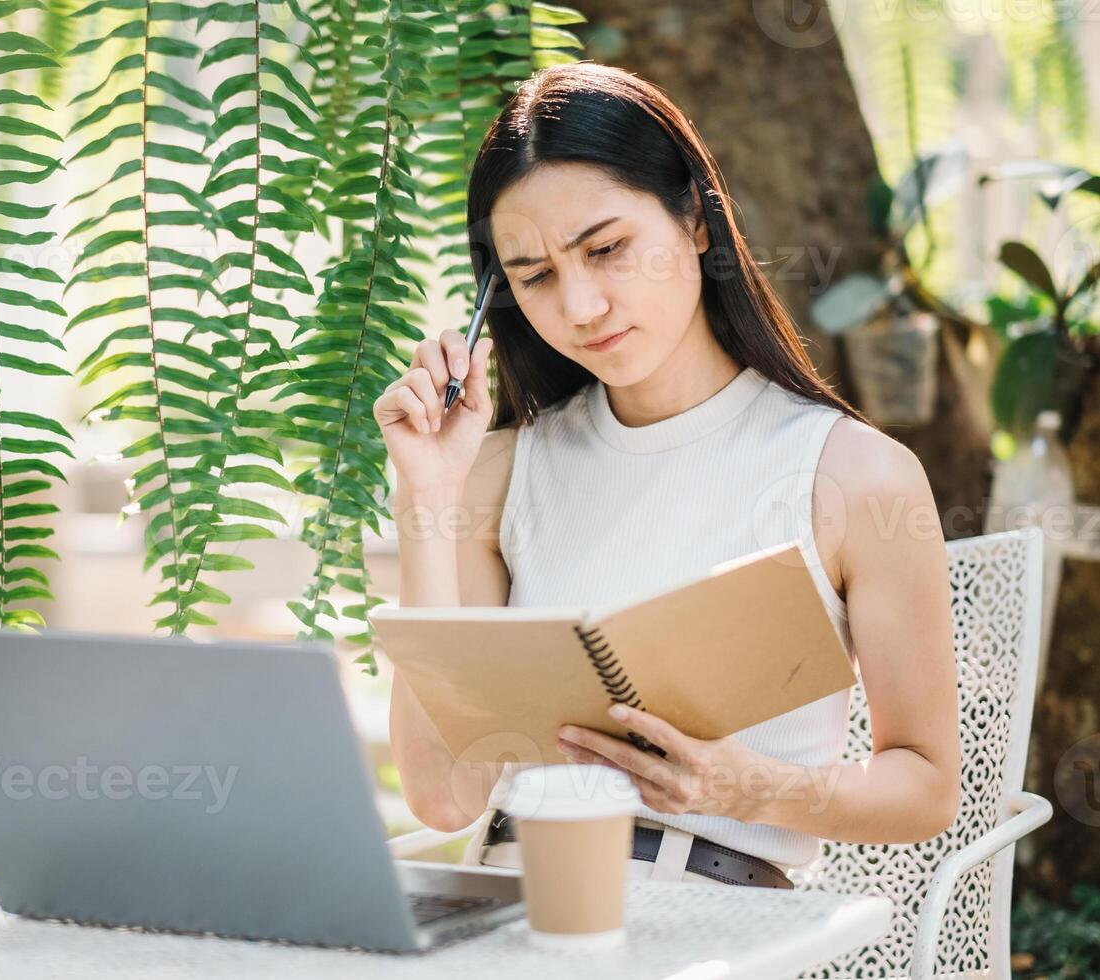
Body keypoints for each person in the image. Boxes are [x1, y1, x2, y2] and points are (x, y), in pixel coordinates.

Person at [376, 62, 962, 889]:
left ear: (693, 218)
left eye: (607, 249)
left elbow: (927, 788)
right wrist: (426, 497)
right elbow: (442, 795)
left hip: (716, 921)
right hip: (514, 904)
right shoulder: (502, 471)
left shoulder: (852, 476)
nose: (580, 307)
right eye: (534, 276)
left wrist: (749, 787)